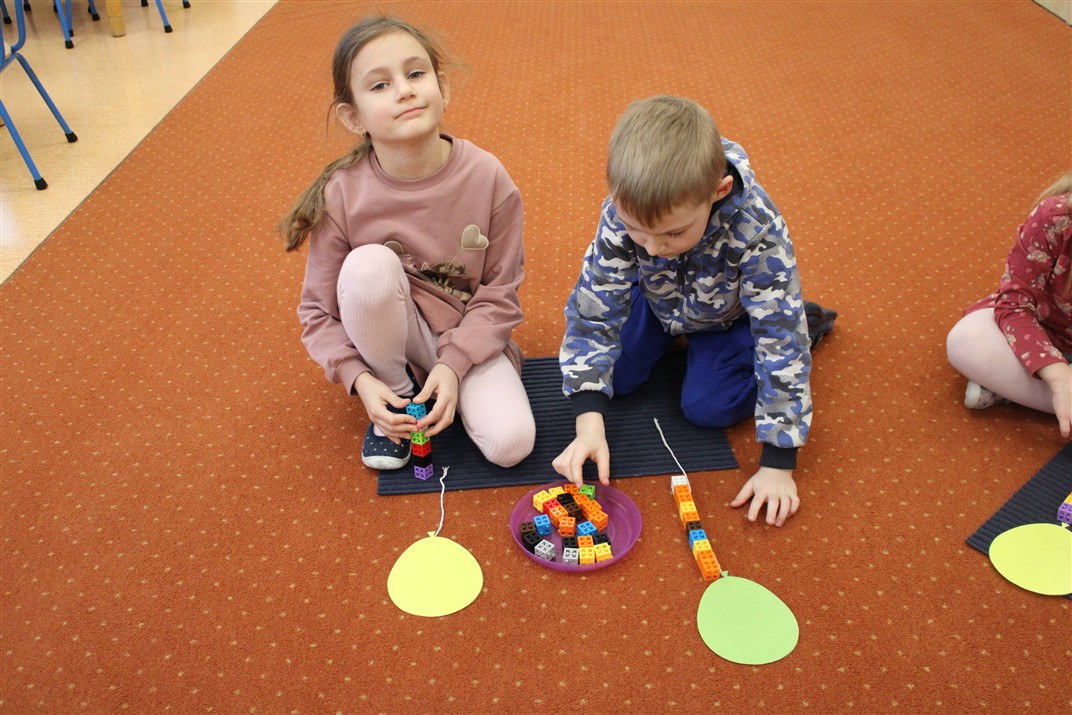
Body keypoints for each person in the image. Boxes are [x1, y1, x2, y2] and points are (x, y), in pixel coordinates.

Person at [554, 96, 835, 527]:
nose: (652, 248)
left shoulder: (758, 230)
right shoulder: (624, 209)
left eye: (672, 233)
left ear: (717, 192)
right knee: (613, 380)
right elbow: (594, 309)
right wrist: (588, 425)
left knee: (707, 407)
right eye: (636, 231)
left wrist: (779, 462)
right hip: (656, 302)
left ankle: (807, 321)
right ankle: (665, 337)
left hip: (728, 318)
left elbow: (779, 342)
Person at [279, 16, 535, 470]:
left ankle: (442, 384)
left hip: (464, 332)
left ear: (442, 88)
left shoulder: (488, 176)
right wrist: (362, 381)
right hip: (389, 334)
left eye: (416, 74)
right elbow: (317, 311)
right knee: (368, 267)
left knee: (512, 444)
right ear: (352, 117)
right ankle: (398, 398)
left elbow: (500, 293)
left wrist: (454, 364)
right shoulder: (343, 192)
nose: (404, 90)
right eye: (380, 85)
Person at [946, 172, 1072, 439]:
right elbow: (1015, 303)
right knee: (966, 340)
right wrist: (1058, 375)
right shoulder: (1056, 217)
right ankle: (1052, 390)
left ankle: (1015, 389)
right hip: (1038, 330)